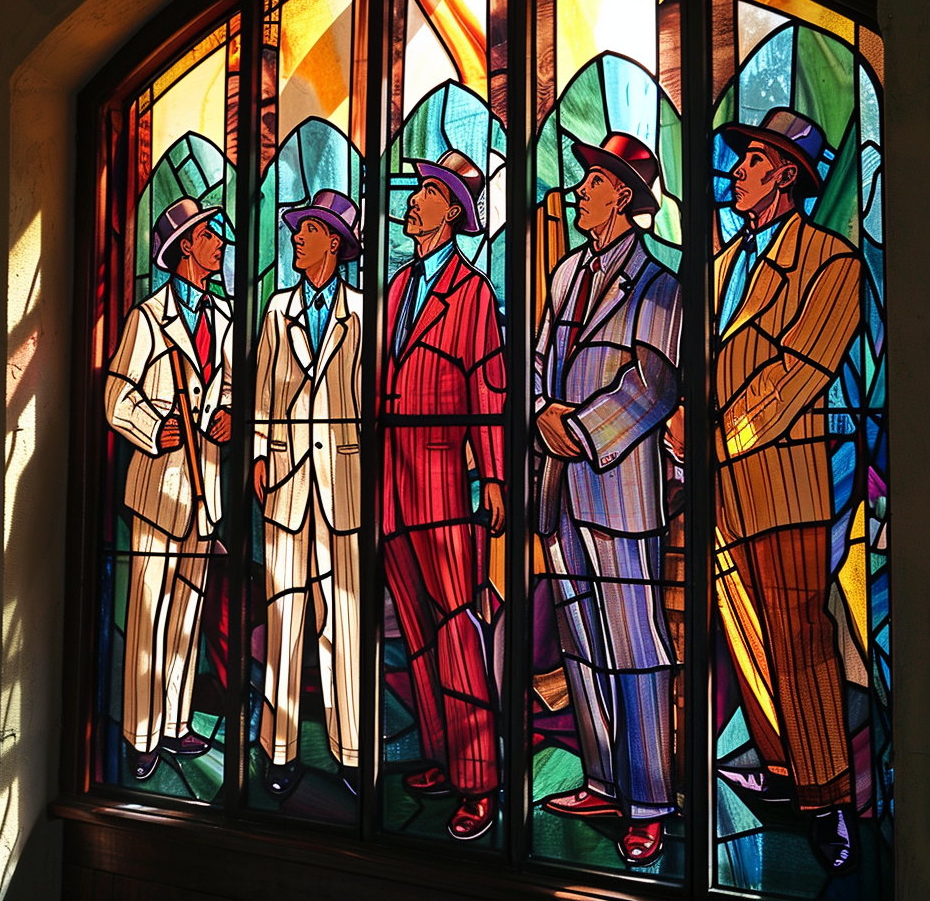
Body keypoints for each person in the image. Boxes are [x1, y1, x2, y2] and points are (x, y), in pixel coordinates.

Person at [713, 108, 861, 874]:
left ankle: (830, 799)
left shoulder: (831, 263)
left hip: (785, 477)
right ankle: (781, 774)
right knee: (746, 636)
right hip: (721, 489)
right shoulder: (724, 262)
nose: (737, 170)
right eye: (742, 160)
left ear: (787, 178)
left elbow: (802, 372)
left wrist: (712, 438)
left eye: (753, 160)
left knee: (801, 638)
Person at [534, 132, 682, 866]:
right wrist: (539, 416)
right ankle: (601, 778)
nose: (578, 192)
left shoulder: (660, 285)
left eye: (590, 181)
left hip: (620, 489)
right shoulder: (563, 277)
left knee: (635, 646)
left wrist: (580, 432)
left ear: (620, 195)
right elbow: (539, 365)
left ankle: (649, 798)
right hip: (562, 492)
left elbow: (654, 384)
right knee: (581, 644)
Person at [382, 149, 506, 841]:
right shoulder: (399, 287)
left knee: (458, 624)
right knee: (418, 630)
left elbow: (490, 389)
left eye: (428, 191)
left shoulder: (475, 293)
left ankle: (479, 779)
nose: (414, 200)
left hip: (443, 483)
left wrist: (492, 475)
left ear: (453, 210)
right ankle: (441, 754)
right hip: (393, 489)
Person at [105, 196, 233, 780]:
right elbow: (116, 396)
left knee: (186, 616)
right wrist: (154, 427)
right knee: (148, 614)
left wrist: (227, 412)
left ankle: (176, 721)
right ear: (185, 246)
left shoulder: (225, 318)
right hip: (157, 489)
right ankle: (139, 732)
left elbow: (229, 386)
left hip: (205, 492)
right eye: (210, 236)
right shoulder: (148, 318)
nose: (219, 245)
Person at [252, 190, 363, 798]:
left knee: (342, 620)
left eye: (308, 229)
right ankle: (279, 748)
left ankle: (351, 750)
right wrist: (261, 453)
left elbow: (372, 402)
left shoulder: (361, 311)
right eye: (297, 229)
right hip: (288, 484)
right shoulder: (276, 310)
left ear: (335, 242)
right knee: (284, 618)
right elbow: (266, 390)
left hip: (344, 486)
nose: (296, 237)